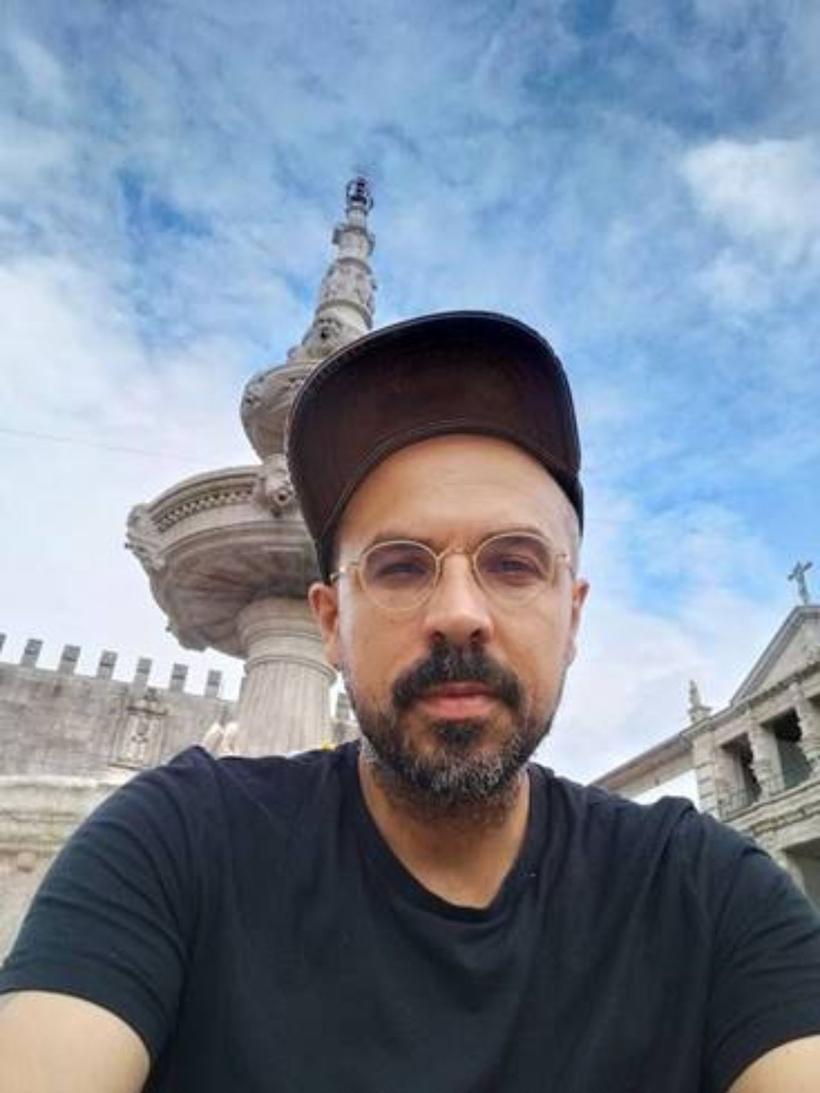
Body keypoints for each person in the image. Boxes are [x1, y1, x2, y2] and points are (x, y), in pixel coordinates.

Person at [1, 312, 819, 1092]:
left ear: (572, 615)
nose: (458, 611)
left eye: (513, 562)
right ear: (331, 620)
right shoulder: (172, 847)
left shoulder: (707, 896)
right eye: (398, 565)